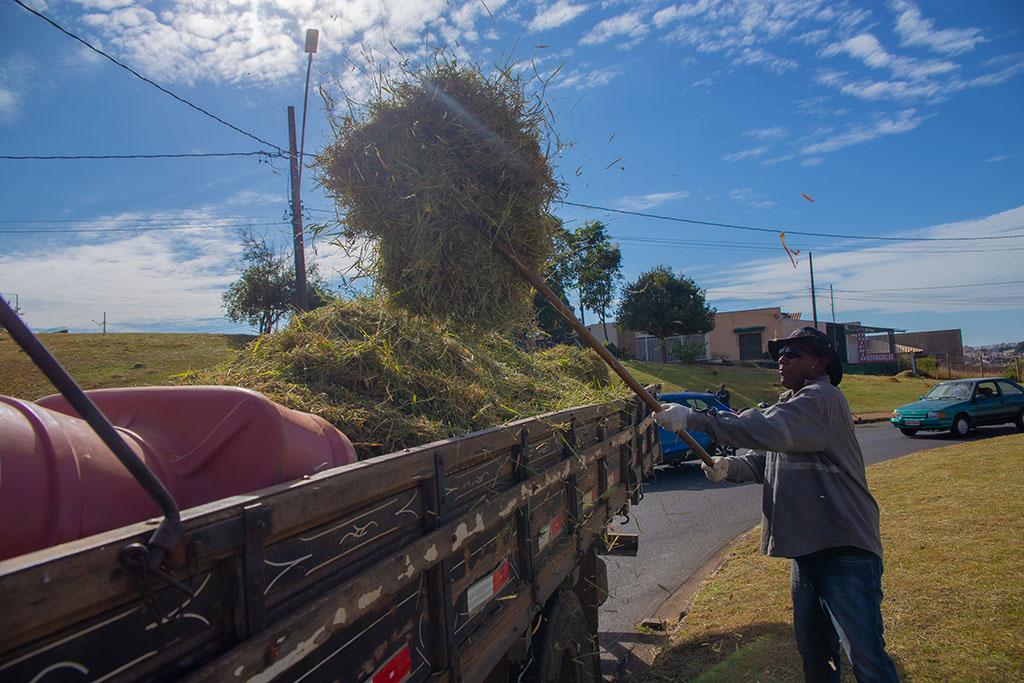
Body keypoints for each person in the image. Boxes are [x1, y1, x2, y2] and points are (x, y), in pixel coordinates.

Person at [655, 327, 898, 682]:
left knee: (865, 655)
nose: (782, 359)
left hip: (843, 549)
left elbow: (766, 429)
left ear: (820, 363)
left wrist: (694, 418)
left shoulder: (823, 398)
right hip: (810, 550)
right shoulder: (790, 405)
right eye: (780, 353)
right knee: (816, 654)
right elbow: (763, 460)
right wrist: (728, 467)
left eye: (793, 353)